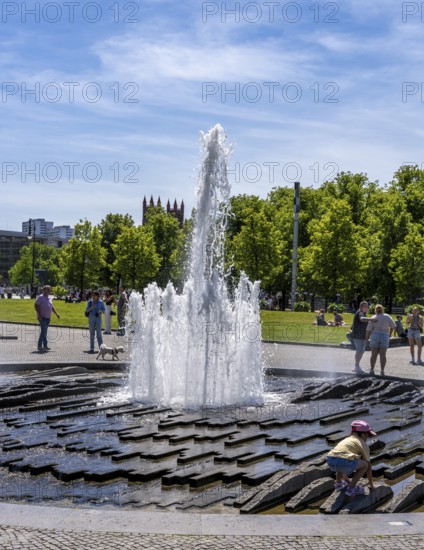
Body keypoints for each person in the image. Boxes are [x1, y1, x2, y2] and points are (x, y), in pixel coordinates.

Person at [326, 420, 376, 497]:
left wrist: (345, 476)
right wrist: (371, 483)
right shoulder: (362, 444)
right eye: (367, 435)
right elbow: (368, 466)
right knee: (365, 464)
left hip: (330, 460)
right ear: (363, 434)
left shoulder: (347, 440)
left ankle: (338, 483)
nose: (367, 438)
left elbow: (341, 456)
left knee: (343, 459)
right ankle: (352, 488)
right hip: (342, 461)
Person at [366, 304, 396, 376]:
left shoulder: (373, 317)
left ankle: (372, 370)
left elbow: (368, 329)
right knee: (383, 355)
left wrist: (367, 338)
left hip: (375, 335)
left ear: (375, 310)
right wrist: (390, 333)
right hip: (385, 335)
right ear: (382, 309)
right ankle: (382, 371)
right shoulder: (387, 316)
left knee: (373, 354)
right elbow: (393, 326)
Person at [34, 285, 60, 352]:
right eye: (47, 289)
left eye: (49, 289)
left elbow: (51, 307)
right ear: (44, 290)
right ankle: (41, 346)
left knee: (44, 332)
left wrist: (56, 313)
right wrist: (39, 315)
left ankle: (43, 345)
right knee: (43, 332)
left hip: (48, 317)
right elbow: (36, 306)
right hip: (42, 317)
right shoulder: (40, 297)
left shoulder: (50, 298)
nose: (49, 291)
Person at [350, 301, 370, 374]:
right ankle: (356, 366)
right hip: (358, 335)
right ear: (361, 307)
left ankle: (356, 365)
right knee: (360, 350)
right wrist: (371, 319)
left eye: (367, 306)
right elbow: (362, 319)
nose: (366, 308)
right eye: (365, 306)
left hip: (361, 335)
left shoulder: (362, 313)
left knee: (362, 350)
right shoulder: (360, 313)